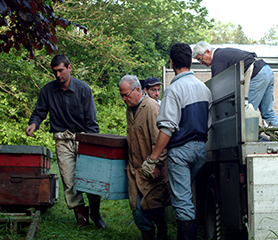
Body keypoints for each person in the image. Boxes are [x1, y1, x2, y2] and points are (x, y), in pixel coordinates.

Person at [25, 55, 106, 228]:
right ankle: (81, 218)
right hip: (62, 139)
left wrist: (91, 144)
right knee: (69, 181)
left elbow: (91, 121)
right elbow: (39, 111)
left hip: (83, 138)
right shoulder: (48, 90)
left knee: (91, 179)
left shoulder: (83, 89)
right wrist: (34, 124)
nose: (58, 75)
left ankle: (96, 214)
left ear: (69, 68)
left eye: (61, 70)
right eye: (54, 71)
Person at [141, 43, 212, 240]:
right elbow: (208, 124)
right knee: (185, 196)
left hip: (181, 152)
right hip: (200, 150)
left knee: (182, 203)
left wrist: (153, 159)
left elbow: (167, 128)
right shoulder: (204, 90)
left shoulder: (173, 90)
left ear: (171, 62)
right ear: (191, 61)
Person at [119, 75, 170, 240]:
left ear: (138, 90)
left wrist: (156, 163)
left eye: (127, 95)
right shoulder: (130, 109)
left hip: (151, 168)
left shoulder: (151, 108)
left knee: (154, 208)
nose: (124, 98)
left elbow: (160, 140)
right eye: (122, 95)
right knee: (137, 210)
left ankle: (162, 229)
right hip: (134, 170)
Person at [192, 41, 278, 127]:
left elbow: (216, 88)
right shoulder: (223, 53)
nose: (201, 62)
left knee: (246, 112)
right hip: (267, 71)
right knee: (267, 112)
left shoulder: (217, 59)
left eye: (200, 59)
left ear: (207, 51)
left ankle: (250, 138)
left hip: (257, 74)